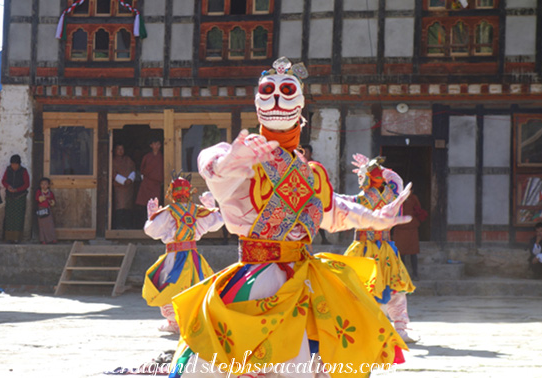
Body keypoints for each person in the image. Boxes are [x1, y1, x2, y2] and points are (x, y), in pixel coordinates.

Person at [170, 57, 411, 377]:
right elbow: (212, 165)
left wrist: (375, 218)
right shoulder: (242, 159)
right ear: (257, 103)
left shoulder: (310, 174)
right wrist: (230, 161)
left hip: (301, 277)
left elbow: (335, 211)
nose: (277, 98)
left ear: (301, 107)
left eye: (286, 90)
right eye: (268, 91)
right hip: (255, 278)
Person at [333, 154, 417, 344]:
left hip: (362, 250)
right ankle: (401, 328)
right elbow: (396, 179)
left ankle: (366, 327)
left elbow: (336, 200)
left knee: (359, 289)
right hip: (386, 248)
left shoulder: (359, 200)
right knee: (395, 289)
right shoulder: (393, 195)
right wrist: (379, 169)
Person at [143, 173, 224, 333]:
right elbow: (218, 222)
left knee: (167, 285)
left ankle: (175, 322)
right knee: (197, 284)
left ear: (171, 193)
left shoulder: (168, 212)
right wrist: (211, 207)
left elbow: (151, 231)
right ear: (190, 192)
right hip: (193, 256)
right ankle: (193, 319)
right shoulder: (198, 211)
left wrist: (151, 217)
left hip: (174, 257)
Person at [302, 144, 330, 245]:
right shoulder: (298, 163)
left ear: (311, 154)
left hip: (314, 194)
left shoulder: (315, 165)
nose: (304, 155)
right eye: (302, 152)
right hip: (302, 194)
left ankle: (324, 238)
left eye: (306, 153)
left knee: (318, 217)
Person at [394, 192, 426, 280]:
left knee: (411, 253)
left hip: (409, 227)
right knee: (403, 253)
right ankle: (405, 274)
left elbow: (418, 209)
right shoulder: (398, 198)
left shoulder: (412, 198)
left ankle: (413, 274)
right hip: (403, 227)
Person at [135, 138, 164, 227]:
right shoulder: (147, 157)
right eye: (154, 144)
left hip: (156, 185)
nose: (156, 146)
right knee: (144, 205)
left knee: (156, 205)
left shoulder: (162, 157)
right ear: (151, 145)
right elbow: (142, 169)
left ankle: (155, 226)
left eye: (158, 144)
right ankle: (144, 225)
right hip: (147, 184)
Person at [2, 154, 30, 243]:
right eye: (12, 164)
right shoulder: (8, 170)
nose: (13, 166)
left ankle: (17, 238)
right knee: (9, 217)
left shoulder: (23, 171)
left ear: (19, 164)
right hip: (10, 197)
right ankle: (9, 237)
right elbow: (3, 181)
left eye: (15, 164)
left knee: (18, 217)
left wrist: (17, 189)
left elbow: (27, 184)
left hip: (20, 197)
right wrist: (8, 187)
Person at [112, 143, 136, 229]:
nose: (120, 151)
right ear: (115, 151)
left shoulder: (128, 160)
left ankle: (128, 226)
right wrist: (123, 181)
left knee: (128, 208)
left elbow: (133, 170)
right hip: (119, 187)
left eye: (122, 149)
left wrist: (130, 179)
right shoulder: (113, 161)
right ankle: (119, 226)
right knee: (120, 207)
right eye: (118, 149)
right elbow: (113, 173)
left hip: (129, 187)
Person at [35, 177, 57, 244]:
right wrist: (44, 198)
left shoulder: (50, 193)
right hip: (41, 209)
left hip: (48, 209)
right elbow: (37, 199)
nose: (44, 186)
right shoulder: (39, 192)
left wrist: (51, 202)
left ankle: (52, 238)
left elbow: (53, 201)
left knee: (50, 225)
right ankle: (43, 240)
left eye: (45, 184)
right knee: (42, 225)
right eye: (42, 184)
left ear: (48, 185)